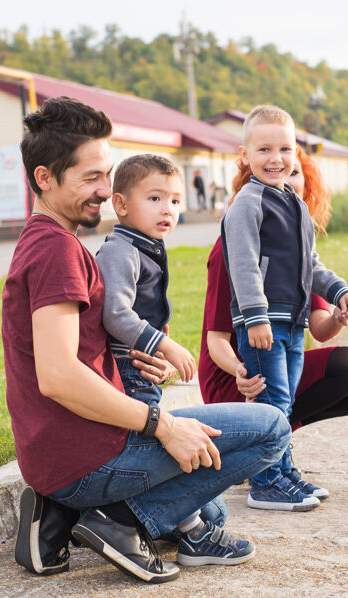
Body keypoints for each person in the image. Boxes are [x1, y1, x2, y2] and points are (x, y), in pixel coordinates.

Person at [2, 97, 292, 583]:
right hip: (87, 454)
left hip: (70, 447)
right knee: (270, 429)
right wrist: (162, 425)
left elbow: (78, 352)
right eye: (89, 178)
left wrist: (135, 364)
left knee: (211, 513)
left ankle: (60, 514)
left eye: (106, 174)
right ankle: (112, 521)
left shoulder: (50, 239)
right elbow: (56, 376)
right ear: (44, 178)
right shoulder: (56, 251)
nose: (104, 190)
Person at [199, 145, 348, 501]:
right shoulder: (235, 245)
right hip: (237, 375)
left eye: (294, 172)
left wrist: (338, 307)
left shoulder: (297, 248)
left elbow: (319, 329)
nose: (286, 178)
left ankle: (276, 461)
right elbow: (216, 341)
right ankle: (261, 465)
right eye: (278, 171)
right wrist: (241, 373)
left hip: (279, 359)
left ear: (307, 182)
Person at [221, 105, 348, 511]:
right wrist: (255, 317)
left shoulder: (295, 205)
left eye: (285, 149)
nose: (276, 158)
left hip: (294, 323)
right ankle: (264, 482)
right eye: (263, 149)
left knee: (285, 403)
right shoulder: (248, 203)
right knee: (273, 404)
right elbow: (244, 264)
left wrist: (338, 292)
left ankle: (282, 471)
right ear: (245, 155)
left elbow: (310, 265)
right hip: (264, 324)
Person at [95, 153, 212, 540]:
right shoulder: (120, 251)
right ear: (121, 204)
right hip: (126, 371)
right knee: (157, 443)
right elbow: (115, 314)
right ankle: (182, 525)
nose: (169, 209)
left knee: (217, 506)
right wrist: (165, 344)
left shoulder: (146, 246)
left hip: (141, 367)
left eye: (175, 201)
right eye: (155, 199)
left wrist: (158, 357)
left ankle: (151, 517)